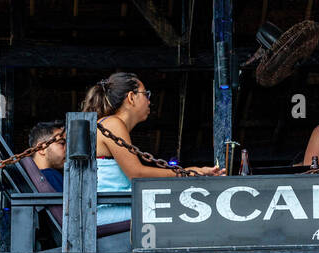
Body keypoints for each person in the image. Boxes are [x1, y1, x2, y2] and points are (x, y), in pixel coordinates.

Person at [83, 72, 221, 225]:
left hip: (115, 208)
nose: (149, 101)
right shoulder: (113, 124)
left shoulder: (110, 123)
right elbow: (136, 174)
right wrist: (187, 173)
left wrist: (190, 172)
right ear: (131, 97)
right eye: (145, 94)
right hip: (105, 211)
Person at [28, 120, 66, 192]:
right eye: (62, 143)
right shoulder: (51, 175)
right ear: (41, 148)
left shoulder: (29, 179)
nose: (67, 149)